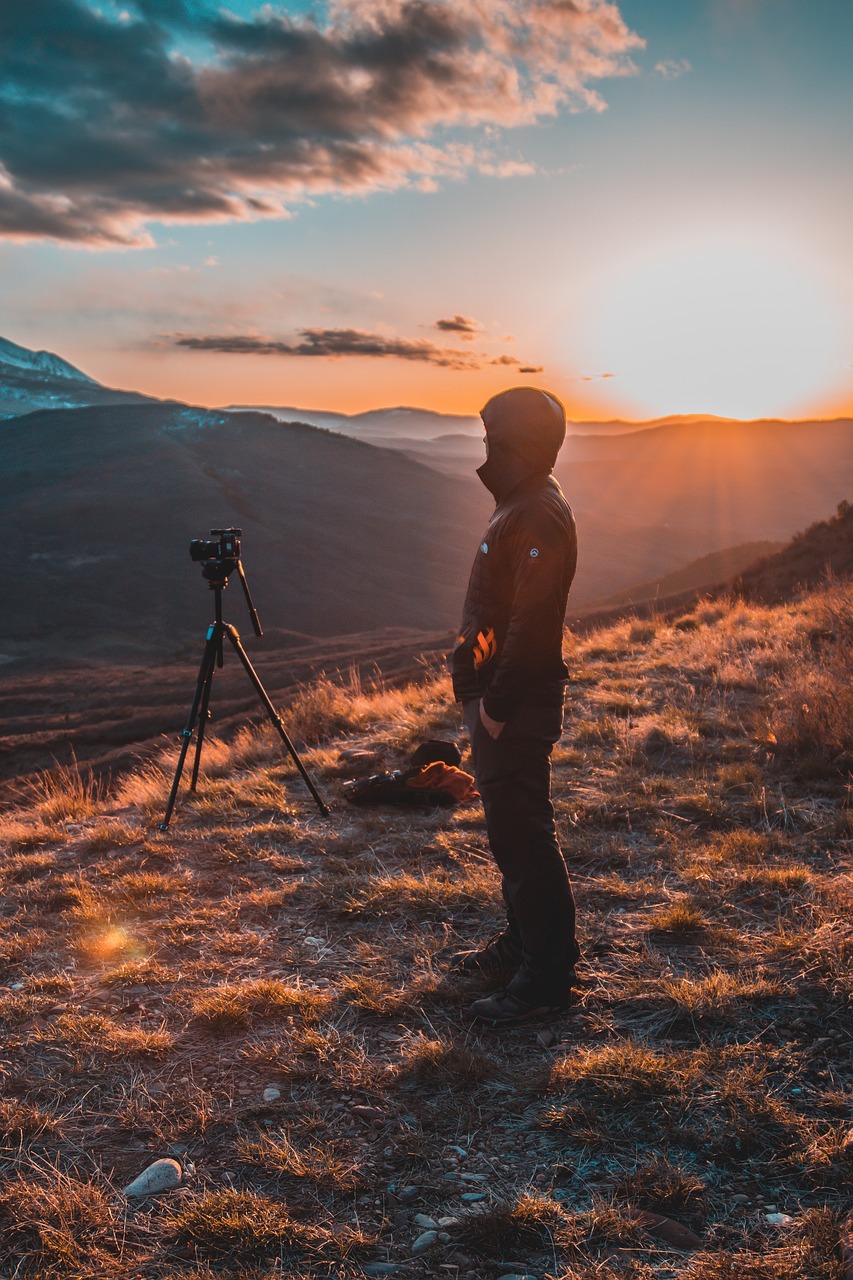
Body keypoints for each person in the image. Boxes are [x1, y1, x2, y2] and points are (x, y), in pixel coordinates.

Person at [451, 385, 580, 1024]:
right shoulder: (522, 503)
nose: (484, 450)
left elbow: (533, 622)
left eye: (494, 440)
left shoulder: (536, 514)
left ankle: (545, 982)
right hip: (499, 702)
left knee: (525, 837)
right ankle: (523, 944)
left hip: (515, 707)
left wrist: (495, 706)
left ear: (519, 446)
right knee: (510, 832)